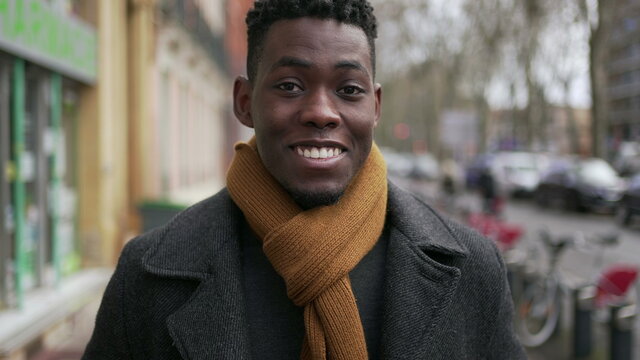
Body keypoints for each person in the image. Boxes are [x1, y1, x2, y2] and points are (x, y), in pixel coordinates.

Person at [82, 0, 525, 359]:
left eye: (348, 90)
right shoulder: (147, 275)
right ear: (244, 102)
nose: (321, 112)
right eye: (290, 85)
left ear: (375, 107)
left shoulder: (473, 269)